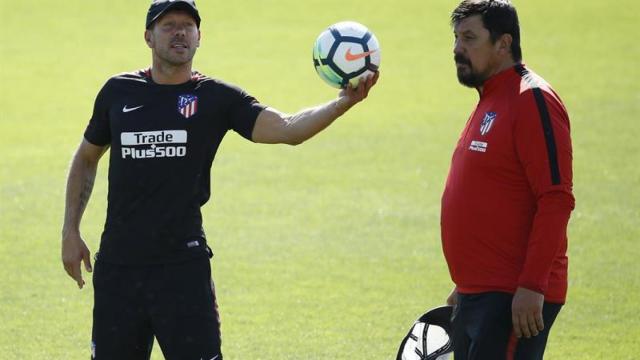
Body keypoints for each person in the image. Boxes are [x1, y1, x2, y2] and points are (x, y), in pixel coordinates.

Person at [60, 1, 378, 359]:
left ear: (199, 38)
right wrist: (70, 231)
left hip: (182, 270)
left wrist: (342, 104)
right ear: (148, 37)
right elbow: (87, 157)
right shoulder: (118, 92)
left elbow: (288, 129)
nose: (179, 31)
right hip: (119, 268)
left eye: (187, 25)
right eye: (168, 25)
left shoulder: (217, 98)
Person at [440, 0, 574, 359]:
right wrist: (465, 283)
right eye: (456, 38)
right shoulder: (490, 97)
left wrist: (532, 285)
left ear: (503, 43)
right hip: (479, 293)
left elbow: (556, 198)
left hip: (512, 297)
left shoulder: (532, 100)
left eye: (469, 38)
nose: (457, 49)